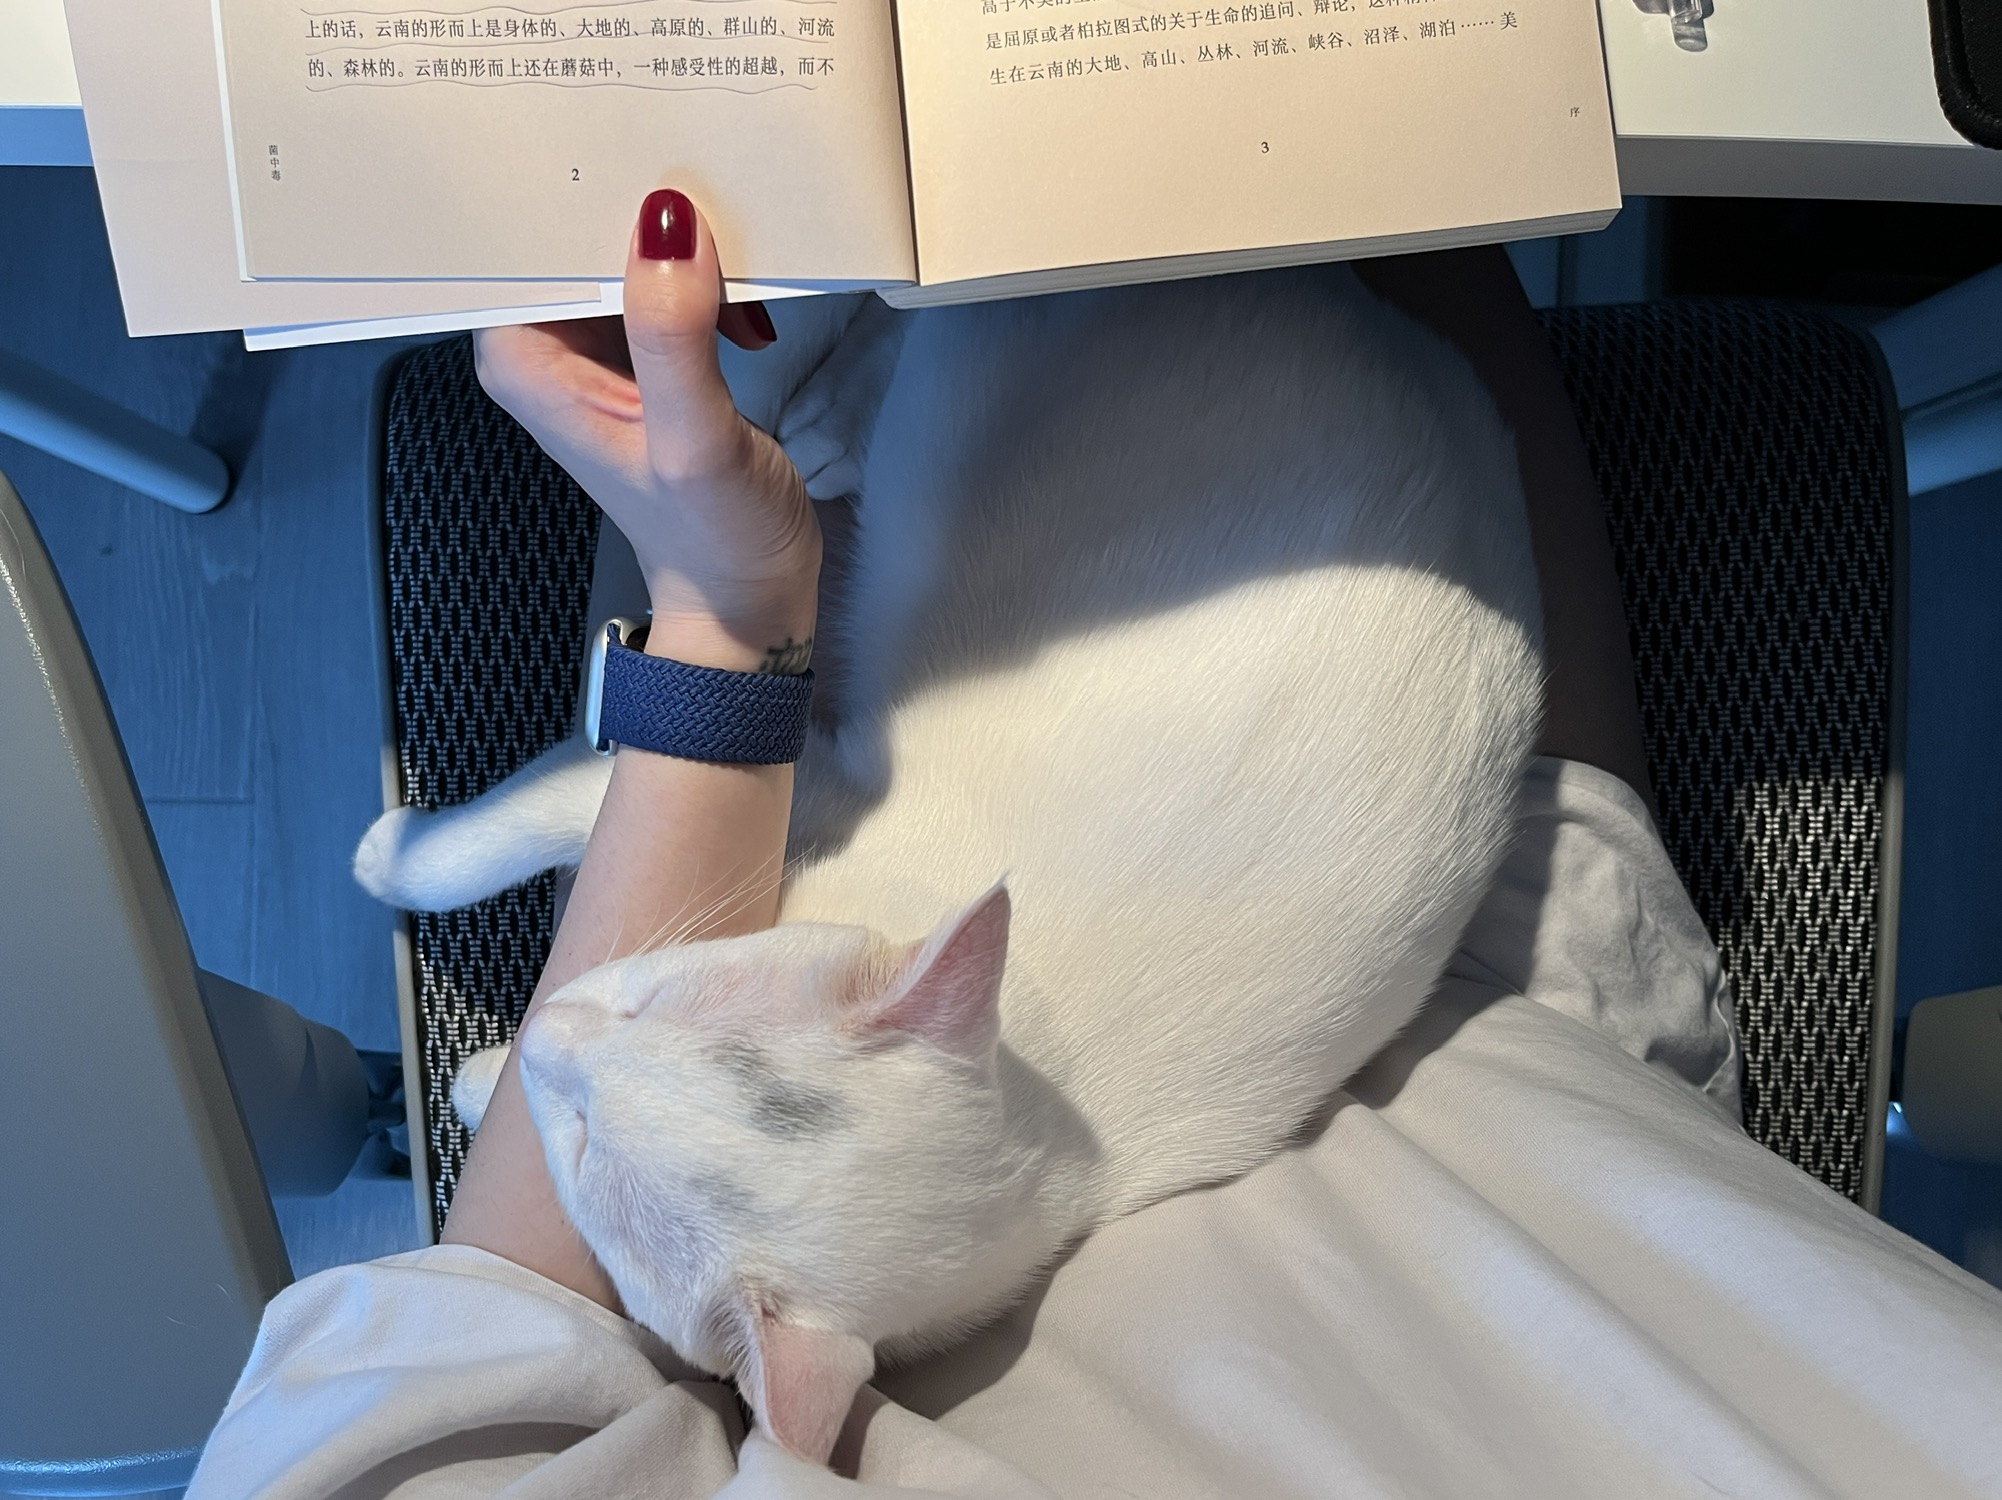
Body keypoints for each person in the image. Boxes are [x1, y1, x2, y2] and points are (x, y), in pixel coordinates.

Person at [186, 194, 2002, 1500]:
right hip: (1518, 1058)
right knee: (1360, 211)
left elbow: (491, 1332)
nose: (561, 1039)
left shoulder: (818, 1258)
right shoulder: (817, 1237)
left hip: (1380, 911)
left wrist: (727, 622)